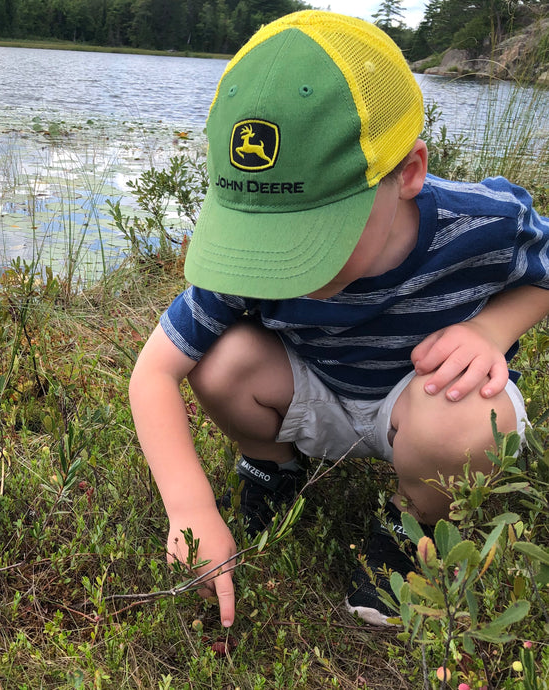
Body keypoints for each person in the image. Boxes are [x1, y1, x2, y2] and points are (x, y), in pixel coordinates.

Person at [129, 10, 549, 627]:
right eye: (260, 234)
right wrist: (190, 509)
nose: (275, 265)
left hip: (424, 399)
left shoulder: (483, 223)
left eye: (313, 233)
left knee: (466, 419)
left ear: (408, 173)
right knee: (219, 364)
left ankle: (416, 525)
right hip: (323, 391)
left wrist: (491, 330)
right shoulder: (250, 263)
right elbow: (153, 374)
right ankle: (270, 465)